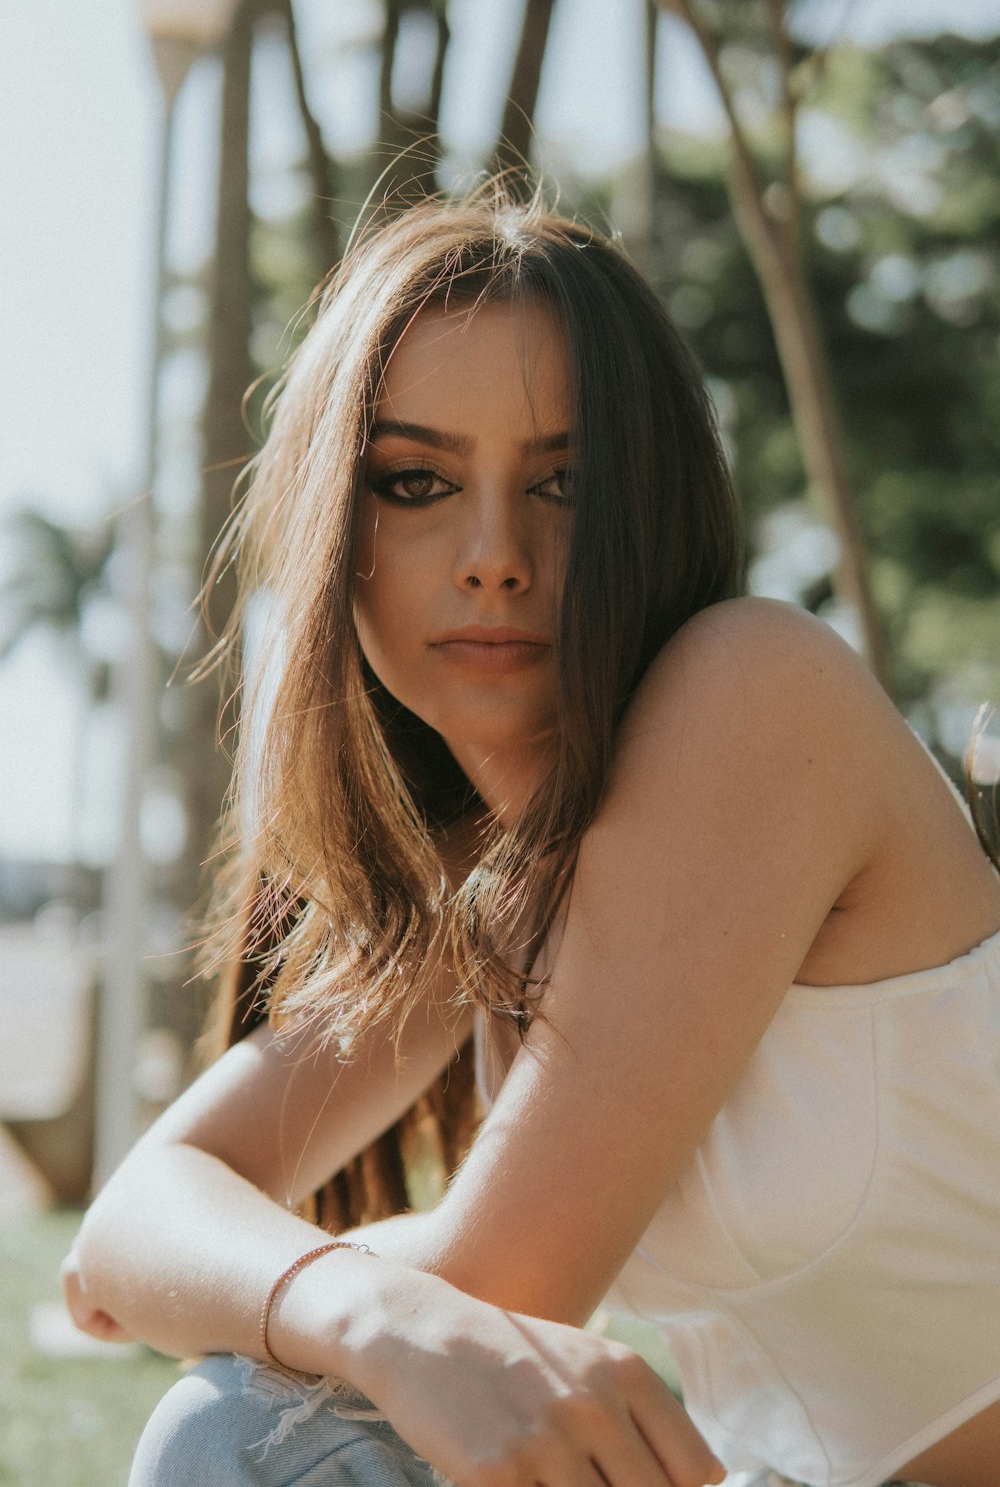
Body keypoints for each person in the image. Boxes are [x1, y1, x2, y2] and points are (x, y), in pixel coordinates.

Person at [62, 191, 1000, 1487]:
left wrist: (290, 1280)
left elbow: (501, 1284)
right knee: (256, 1420)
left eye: (565, 482)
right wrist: (359, 1301)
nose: (496, 555)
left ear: (653, 503)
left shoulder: (756, 694)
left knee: (253, 1434)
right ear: (336, 523)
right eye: (418, 482)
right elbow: (126, 1232)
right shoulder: (484, 882)